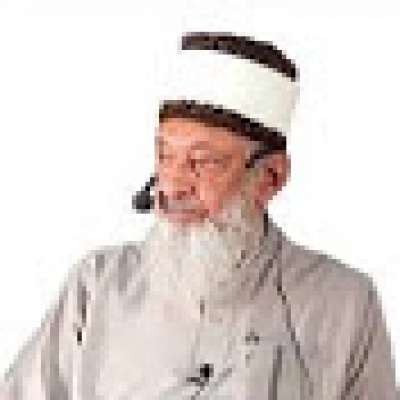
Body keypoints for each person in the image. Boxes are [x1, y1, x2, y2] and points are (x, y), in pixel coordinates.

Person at [1, 32, 398, 399]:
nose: (172, 186)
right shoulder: (97, 287)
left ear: (270, 177)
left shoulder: (345, 304)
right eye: (164, 156)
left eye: (202, 162)